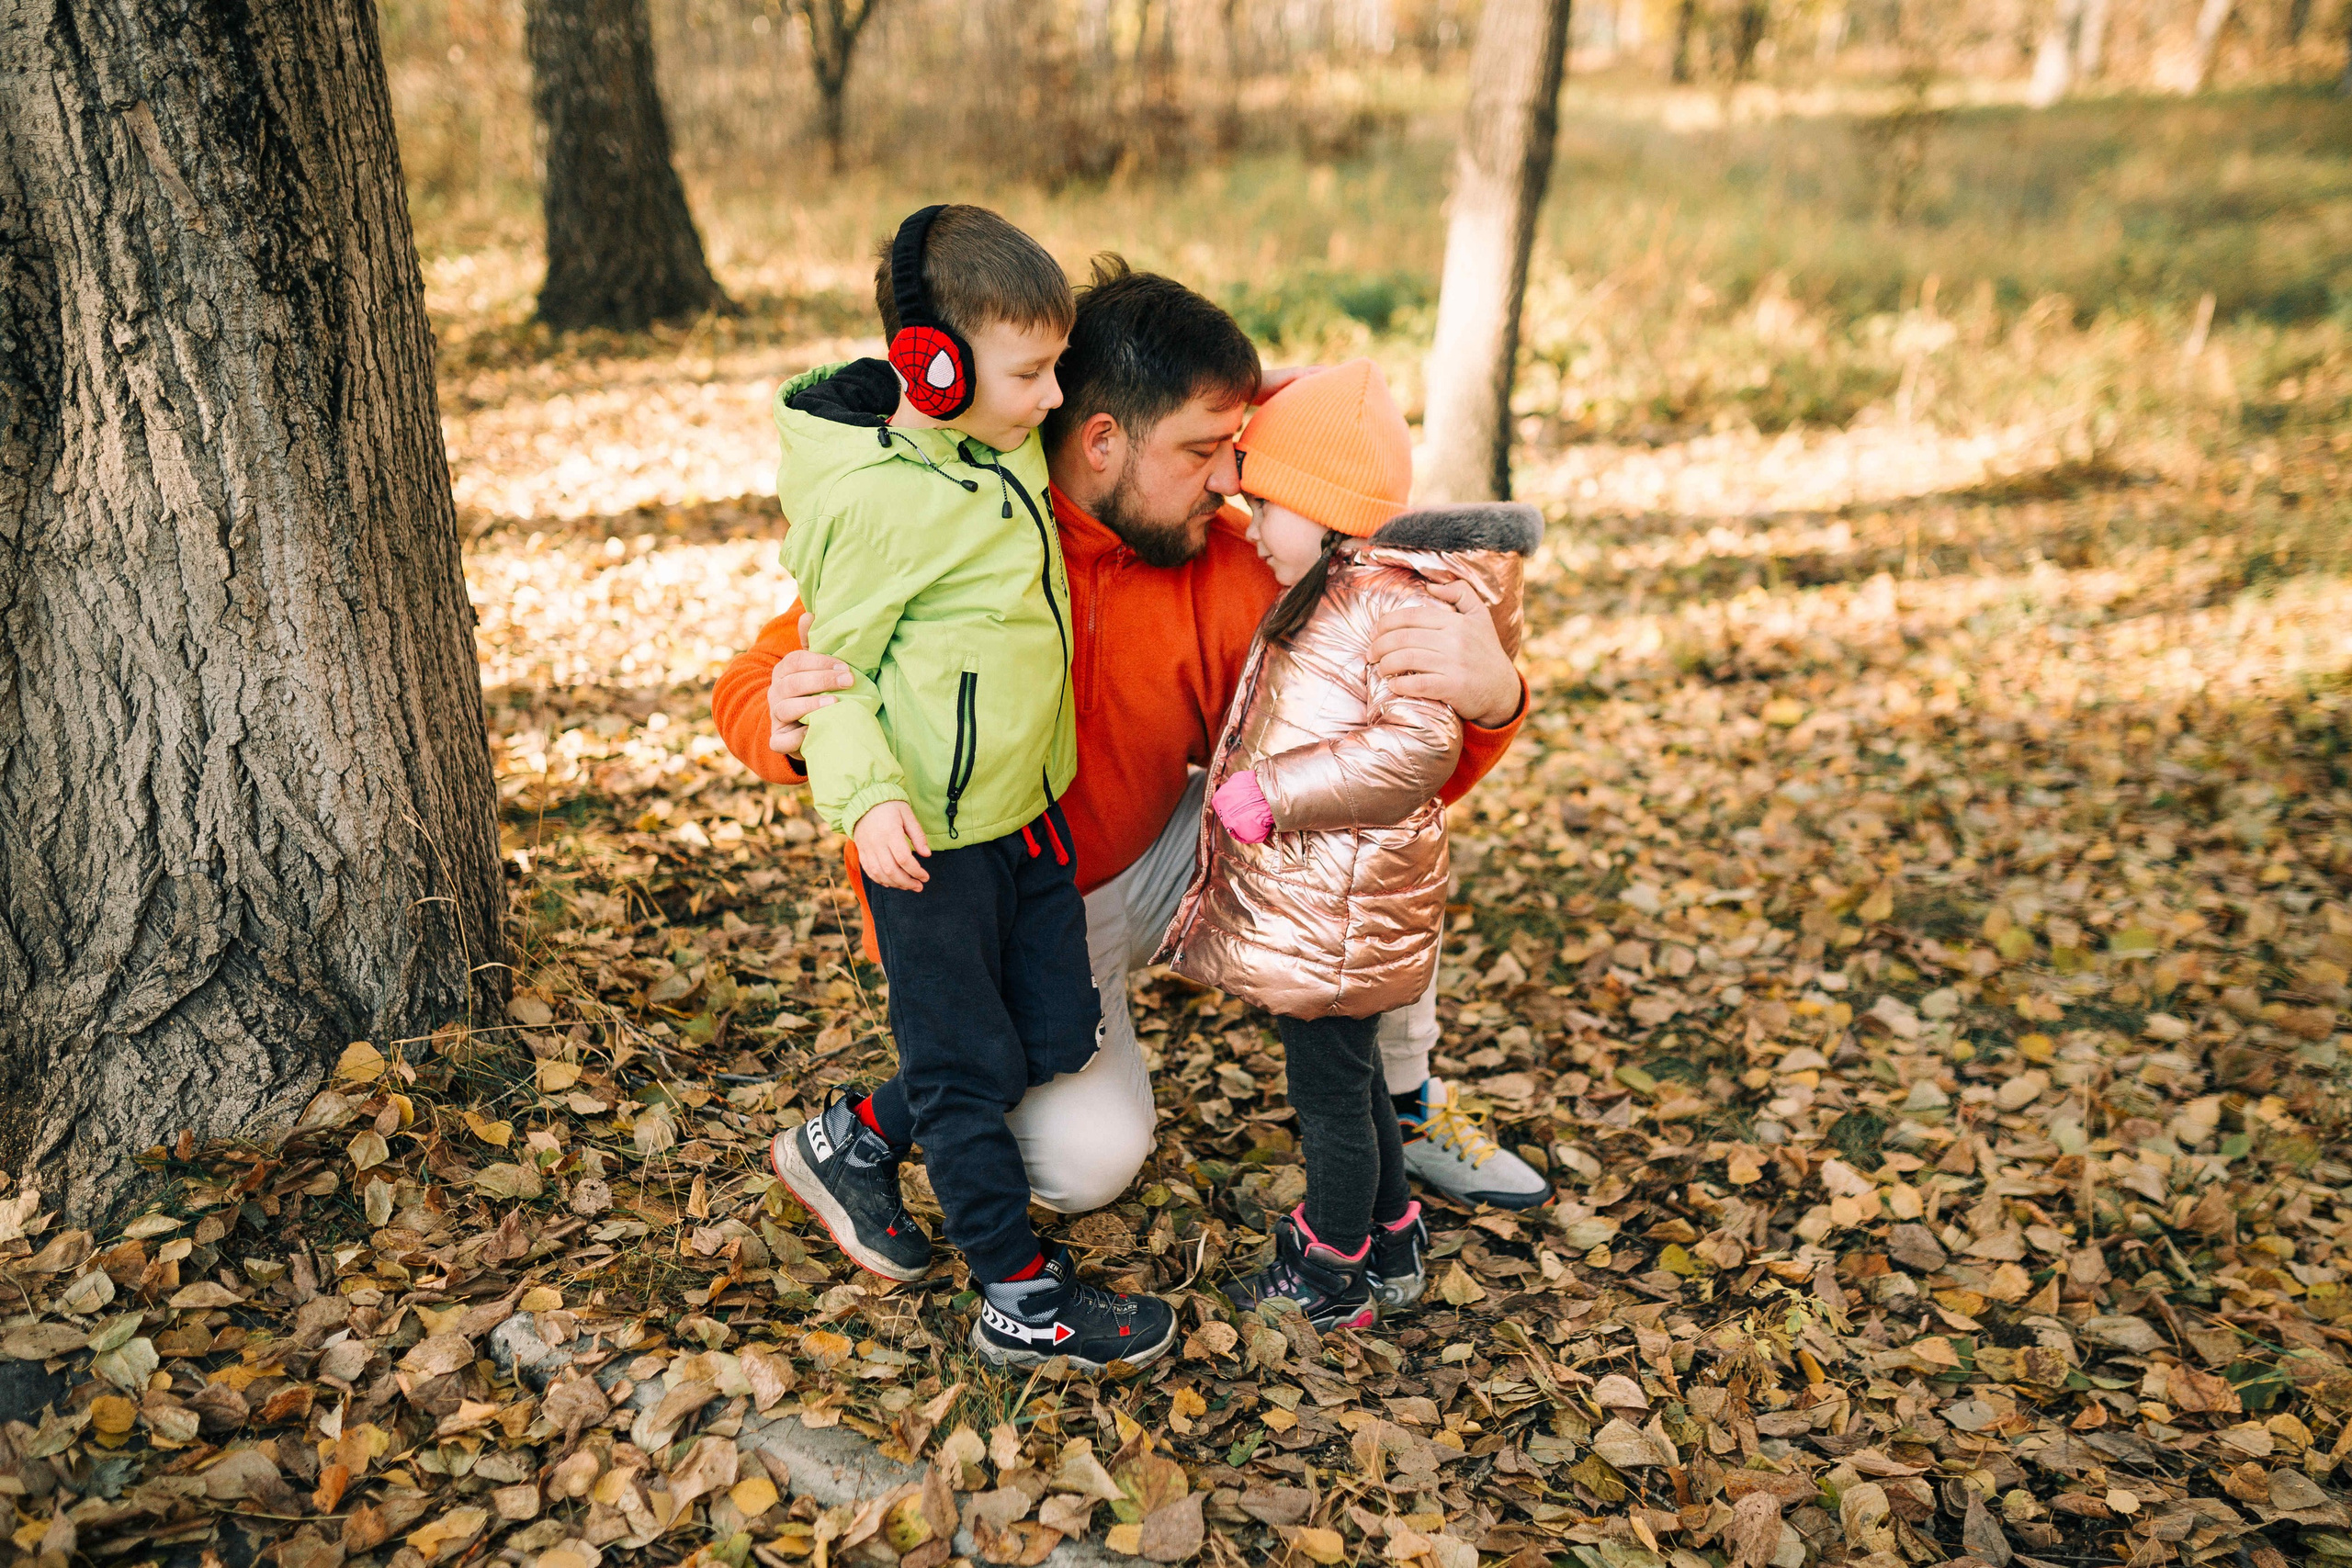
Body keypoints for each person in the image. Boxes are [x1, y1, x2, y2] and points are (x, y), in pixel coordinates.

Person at [713, 261, 1551, 1277]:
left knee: (1363, 853)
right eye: (1204, 450)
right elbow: (757, 675)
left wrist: (1494, 699)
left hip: (1163, 848)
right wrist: (782, 717)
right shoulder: (959, 524)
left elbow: (1397, 772)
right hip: (1006, 900)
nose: (1230, 480)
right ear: (1102, 439)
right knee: (1085, 1165)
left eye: (1237, 449)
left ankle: (1406, 1098)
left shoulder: (1235, 567)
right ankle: (887, 1119)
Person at [763, 204, 1174, 1373]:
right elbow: (825, 676)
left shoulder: (996, 450)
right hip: (928, 843)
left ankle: (852, 1139)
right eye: (1031, 372)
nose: (1052, 397)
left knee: (1047, 1036)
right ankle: (1018, 1295)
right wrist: (867, 798)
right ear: (931, 368)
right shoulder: (876, 502)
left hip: (1025, 819)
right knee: (963, 1070)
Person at [1158, 361, 1540, 1328]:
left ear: (1321, 508)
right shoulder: (1339, 584)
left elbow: (1417, 747)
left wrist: (1270, 794)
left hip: (1340, 911)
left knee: (1327, 1097)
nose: (1249, 525)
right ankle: (1392, 1231)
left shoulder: (1382, 601)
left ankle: (1331, 1269)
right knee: (1357, 1077)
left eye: (1264, 504)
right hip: (1332, 901)